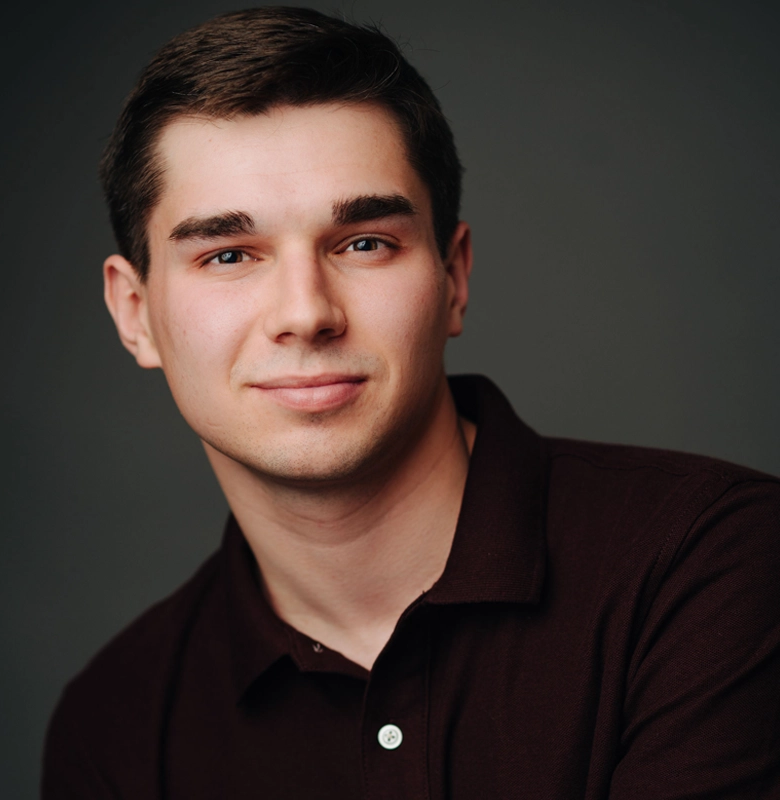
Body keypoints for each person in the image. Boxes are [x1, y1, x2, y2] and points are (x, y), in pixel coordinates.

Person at [42, 7, 780, 798]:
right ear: (135, 314)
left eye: (364, 243)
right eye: (228, 254)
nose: (306, 312)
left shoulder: (713, 566)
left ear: (454, 277)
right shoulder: (114, 724)